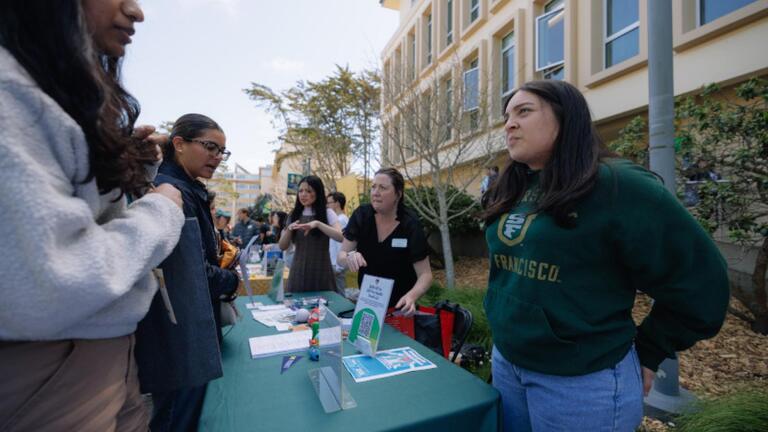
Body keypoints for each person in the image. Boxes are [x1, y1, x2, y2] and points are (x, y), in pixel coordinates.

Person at [481, 80, 730, 431]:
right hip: (509, 364)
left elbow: (702, 283)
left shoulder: (620, 185)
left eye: (524, 111)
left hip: (581, 384)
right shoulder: (516, 185)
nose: (509, 124)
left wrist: (652, 348)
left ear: (567, 119)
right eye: (507, 115)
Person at [0, 1, 185, 431]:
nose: (136, 11)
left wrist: (121, 168)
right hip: (55, 376)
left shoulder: (43, 96)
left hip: (99, 360)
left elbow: (74, 214)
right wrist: (160, 210)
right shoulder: (12, 95)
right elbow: (52, 280)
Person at [141, 113, 239, 431]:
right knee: (176, 419)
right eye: (210, 146)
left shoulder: (187, 187)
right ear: (179, 144)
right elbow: (193, 275)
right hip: (179, 338)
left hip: (186, 333)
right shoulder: (171, 192)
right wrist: (231, 280)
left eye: (222, 151)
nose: (217, 157)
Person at [338, 168, 433, 314]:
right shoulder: (362, 215)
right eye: (373, 187)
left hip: (399, 309)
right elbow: (341, 256)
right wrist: (349, 257)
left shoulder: (410, 224)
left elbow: (425, 275)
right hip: (368, 303)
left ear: (398, 194)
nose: (375, 192)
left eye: (383, 188)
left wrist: (411, 296)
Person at [278, 176, 343, 294]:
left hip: (321, 270)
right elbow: (282, 246)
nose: (303, 194)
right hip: (298, 271)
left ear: (318, 192)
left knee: (323, 309)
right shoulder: (294, 214)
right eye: (301, 191)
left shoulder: (327, 212)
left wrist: (318, 224)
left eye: (308, 191)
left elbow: (340, 236)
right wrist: (289, 229)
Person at [327, 192, 350, 294]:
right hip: (335, 263)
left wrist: (339, 267)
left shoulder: (341, 220)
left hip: (336, 265)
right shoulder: (340, 220)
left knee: (338, 293)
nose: (327, 206)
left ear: (337, 203)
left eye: (329, 203)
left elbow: (341, 244)